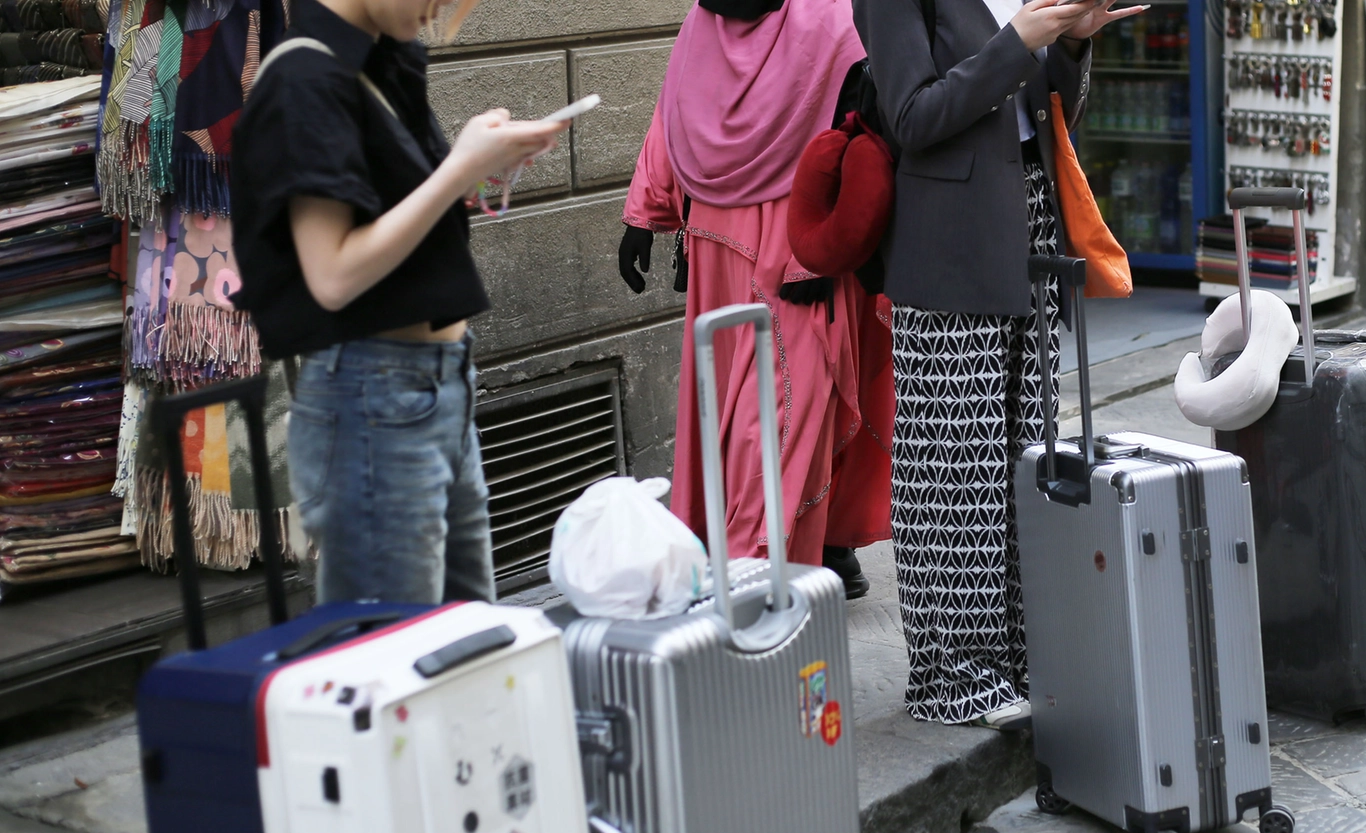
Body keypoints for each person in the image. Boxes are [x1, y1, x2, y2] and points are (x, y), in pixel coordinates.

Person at [855, 0, 1142, 728]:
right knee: (953, 462)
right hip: (947, 238)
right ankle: (953, 673)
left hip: (1033, 216)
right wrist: (1018, 40)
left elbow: (1052, 113)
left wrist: (1072, 46)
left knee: (1024, 450)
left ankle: (1019, 653)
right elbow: (912, 116)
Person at [228, 0, 566, 603]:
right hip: (373, 395)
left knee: (466, 647)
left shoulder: (378, 60)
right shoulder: (305, 78)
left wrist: (474, 170)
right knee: (401, 660)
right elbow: (332, 274)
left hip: (427, 385)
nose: (442, 7)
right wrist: (458, 169)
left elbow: (398, 222)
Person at [618, 0, 894, 596]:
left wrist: (820, 246)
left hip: (799, 242)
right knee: (734, 408)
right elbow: (679, 110)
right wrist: (644, 211)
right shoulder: (704, 20)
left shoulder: (831, 18)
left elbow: (857, 129)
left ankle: (766, 565)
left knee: (782, 408)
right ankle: (768, 560)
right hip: (719, 243)